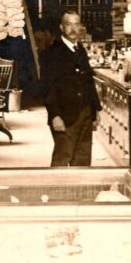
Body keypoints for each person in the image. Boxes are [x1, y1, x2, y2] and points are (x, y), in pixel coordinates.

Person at [39, 9, 100, 167]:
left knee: (83, 160)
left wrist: (95, 111)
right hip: (65, 115)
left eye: (76, 24)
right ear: (62, 27)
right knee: (62, 158)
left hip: (85, 113)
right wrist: (54, 115)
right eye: (68, 24)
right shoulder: (52, 53)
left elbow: (89, 81)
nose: (73, 29)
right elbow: (48, 88)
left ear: (81, 27)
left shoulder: (80, 50)